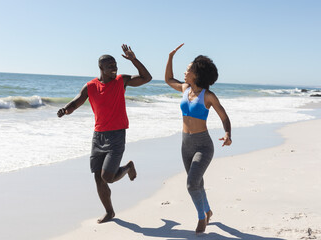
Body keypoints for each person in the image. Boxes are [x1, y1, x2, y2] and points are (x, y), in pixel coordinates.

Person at [57, 44, 152, 223]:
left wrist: (133, 60)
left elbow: (147, 78)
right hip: (98, 136)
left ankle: (127, 168)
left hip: (117, 135)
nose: (114, 68)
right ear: (101, 68)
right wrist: (65, 109)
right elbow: (77, 102)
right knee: (98, 178)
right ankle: (110, 212)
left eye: (115, 65)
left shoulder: (121, 81)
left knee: (107, 177)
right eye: (110, 66)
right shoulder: (91, 86)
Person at [165, 43, 232, 234]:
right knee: (198, 183)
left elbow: (224, 116)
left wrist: (228, 134)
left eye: (187, 70)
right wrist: (170, 57)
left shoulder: (208, 96)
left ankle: (201, 218)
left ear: (196, 74)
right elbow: (168, 79)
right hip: (185, 145)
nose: (184, 73)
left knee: (191, 183)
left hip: (203, 145)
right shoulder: (185, 88)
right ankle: (208, 210)